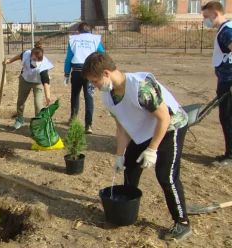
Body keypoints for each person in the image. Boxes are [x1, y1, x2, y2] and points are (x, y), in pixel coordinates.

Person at [82, 52, 192, 242]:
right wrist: (119, 155)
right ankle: (125, 211)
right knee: (129, 167)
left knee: (166, 176)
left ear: (106, 73)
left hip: (170, 126)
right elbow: (122, 126)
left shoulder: (141, 88)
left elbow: (164, 118)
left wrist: (152, 150)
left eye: (94, 81)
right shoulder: (109, 97)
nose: (94, 86)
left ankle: (182, 222)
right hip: (144, 127)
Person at [202, 2, 232, 167]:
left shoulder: (227, 32)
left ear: (215, 14)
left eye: (206, 17)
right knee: (227, 118)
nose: (205, 21)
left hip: (229, 82)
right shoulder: (225, 30)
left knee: (228, 119)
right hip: (225, 80)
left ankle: (231, 156)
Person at [64, 22, 105, 134]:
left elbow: (68, 58)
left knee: (75, 96)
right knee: (89, 97)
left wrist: (66, 73)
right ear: (90, 30)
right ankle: (88, 125)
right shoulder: (95, 39)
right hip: (90, 72)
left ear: (78, 31)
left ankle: (73, 120)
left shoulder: (73, 40)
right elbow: (102, 53)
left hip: (77, 71)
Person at [4, 41, 52, 130]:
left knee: (38, 105)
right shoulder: (27, 54)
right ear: (31, 56)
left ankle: (37, 125)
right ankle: (19, 119)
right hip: (25, 80)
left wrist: (48, 97)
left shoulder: (43, 67)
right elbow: (19, 56)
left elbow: (46, 83)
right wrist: (10, 61)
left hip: (38, 83)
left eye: (38, 60)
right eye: (34, 59)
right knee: (20, 101)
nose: (36, 62)